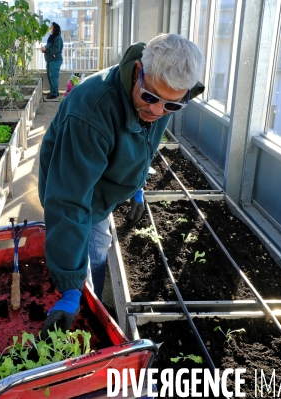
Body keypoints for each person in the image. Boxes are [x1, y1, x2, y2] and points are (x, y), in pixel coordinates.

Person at [38, 33, 205, 335]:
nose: (156, 111)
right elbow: (69, 200)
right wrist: (70, 288)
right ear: (139, 71)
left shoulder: (161, 96)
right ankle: (78, 306)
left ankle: (90, 300)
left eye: (171, 106)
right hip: (74, 191)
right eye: (151, 98)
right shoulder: (90, 113)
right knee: (78, 261)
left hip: (101, 194)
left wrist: (137, 185)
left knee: (97, 250)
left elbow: (144, 144)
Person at [41, 22, 63, 100]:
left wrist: (46, 49)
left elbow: (56, 50)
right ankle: (54, 92)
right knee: (51, 77)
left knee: (53, 77)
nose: (50, 28)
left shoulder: (58, 38)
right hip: (51, 61)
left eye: (51, 27)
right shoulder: (52, 37)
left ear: (55, 29)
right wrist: (45, 49)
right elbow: (49, 47)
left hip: (55, 61)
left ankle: (54, 93)